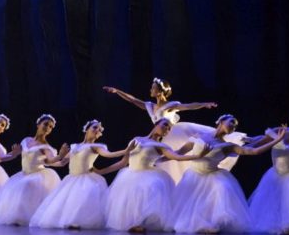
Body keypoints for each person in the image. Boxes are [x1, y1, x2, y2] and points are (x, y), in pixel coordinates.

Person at [103, 78, 241, 182]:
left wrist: (203, 104)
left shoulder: (170, 105)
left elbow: (188, 106)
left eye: (153, 87)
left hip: (173, 133)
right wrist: (117, 91)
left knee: (175, 158)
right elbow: (133, 100)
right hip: (160, 136)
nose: (150, 89)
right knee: (161, 160)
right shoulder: (150, 106)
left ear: (160, 91)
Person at [169, 114, 284, 234]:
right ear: (221, 121)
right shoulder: (199, 136)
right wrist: (162, 157)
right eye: (231, 122)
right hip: (194, 174)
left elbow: (253, 151)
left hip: (213, 174)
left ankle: (213, 223)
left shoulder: (228, 146)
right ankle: (197, 223)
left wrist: (276, 140)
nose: (233, 127)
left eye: (235, 126)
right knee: (192, 201)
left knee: (223, 188)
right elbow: (179, 152)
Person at [104, 117, 204, 232]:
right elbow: (123, 162)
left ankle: (140, 223)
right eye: (165, 124)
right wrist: (102, 171)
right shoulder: (136, 140)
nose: (166, 128)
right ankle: (132, 222)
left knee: (151, 188)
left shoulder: (161, 146)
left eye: (169, 128)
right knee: (129, 197)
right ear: (156, 124)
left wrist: (197, 156)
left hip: (148, 174)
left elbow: (177, 157)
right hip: (130, 174)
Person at [29, 120, 133, 230]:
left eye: (99, 129)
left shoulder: (96, 146)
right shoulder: (74, 146)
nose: (97, 130)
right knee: (68, 201)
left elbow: (109, 155)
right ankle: (70, 221)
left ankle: (78, 222)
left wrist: (125, 151)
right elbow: (62, 162)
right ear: (87, 129)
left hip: (87, 179)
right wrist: (46, 161)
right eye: (94, 127)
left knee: (82, 198)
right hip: (72, 179)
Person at [0, 114, 69, 226]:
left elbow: (49, 161)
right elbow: (14, 155)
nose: (48, 128)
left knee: (26, 187)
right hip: (24, 173)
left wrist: (60, 156)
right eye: (46, 124)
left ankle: (30, 218)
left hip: (38, 175)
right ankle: (18, 218)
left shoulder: (46, 147)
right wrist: (1, 158)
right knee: (15, 191)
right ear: (38, 124)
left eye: (51, 127)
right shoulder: (26, 140)